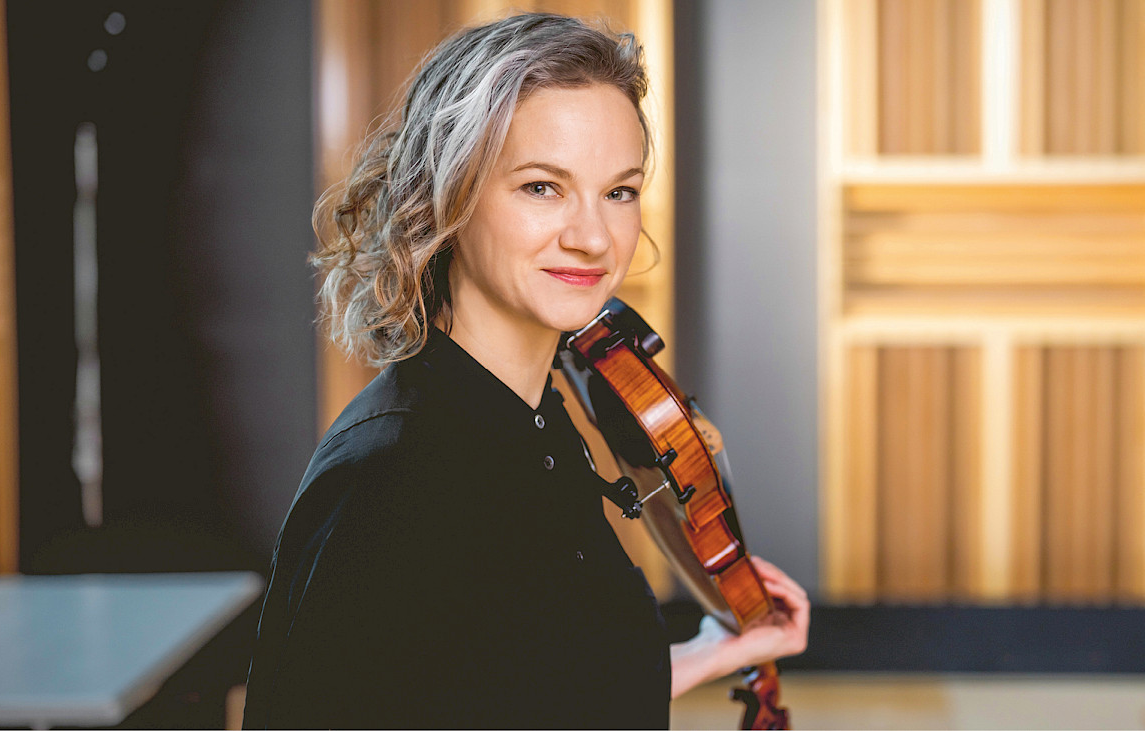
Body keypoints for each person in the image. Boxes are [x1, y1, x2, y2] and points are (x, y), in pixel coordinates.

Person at [242, 12, 809, 729]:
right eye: (542, 187)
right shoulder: (388, 478)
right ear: (447, 196)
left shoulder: (535, 417)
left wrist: (711, 648)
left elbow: (520, 678)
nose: (592, 236)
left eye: (620, 191)